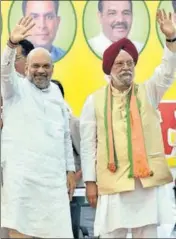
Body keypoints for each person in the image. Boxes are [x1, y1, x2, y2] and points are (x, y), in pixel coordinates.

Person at [80, 9, 176, 238]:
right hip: (113, 183)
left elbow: (167, 72)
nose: (126, 68)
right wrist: (90, 183)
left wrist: (171, 39)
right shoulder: (94, 101)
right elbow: (87, 145)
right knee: (113, 234)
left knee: (147, 233)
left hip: (145, 183)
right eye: (119, 63)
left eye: (130, 63)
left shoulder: (148, 91)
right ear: (109, 68)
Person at [1, 16, 75, 238]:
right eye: (35, 66)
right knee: (20, 231)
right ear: (26, 68)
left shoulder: (56, 94)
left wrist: (70, 170)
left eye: (46, 66)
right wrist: (11, 45)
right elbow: (4, 72)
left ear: (52, 69)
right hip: (22, 179)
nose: (41, 70)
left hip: (52, 182)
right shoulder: (15, 89)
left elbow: (64, 135)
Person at [51, 79, 84, 239]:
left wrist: (73, 179)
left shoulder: (73, 123)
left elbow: (87, 157)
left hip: (72, 192)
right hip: (49, 191)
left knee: (71, 231)